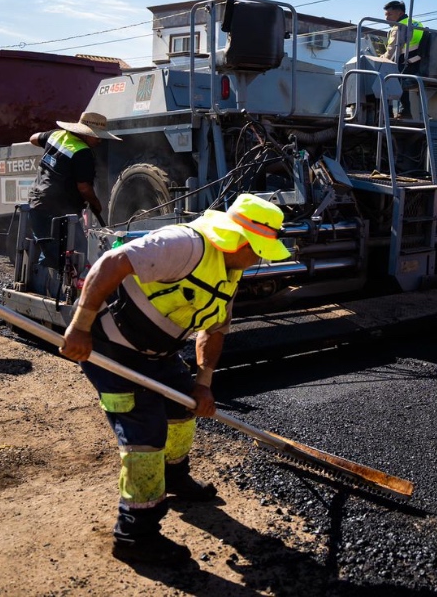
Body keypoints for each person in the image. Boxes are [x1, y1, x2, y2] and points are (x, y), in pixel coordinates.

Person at [59, 193, 292, 564]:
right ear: (239, 240)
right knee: (144, 437)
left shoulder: (230, 273)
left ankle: (175, 476)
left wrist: (203, 384)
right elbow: (111, 262)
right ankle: (135, 534)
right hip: (112, 349)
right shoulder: (186, 245)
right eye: (259, 248)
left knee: (183, 407)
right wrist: (80, 326)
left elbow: (214, 331)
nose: (261, 257)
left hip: (160, 355)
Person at [28, 111, 120, 267]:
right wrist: (96, 204)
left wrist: (53, 155)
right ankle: (44, 287)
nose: (99, 140)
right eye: (96, 136)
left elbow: (33, 138)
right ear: (84, 134)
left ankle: (46, 285)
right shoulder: (83, 152)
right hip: (57, 210)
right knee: (67, 254)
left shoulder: (57, 135)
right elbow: (84, 188)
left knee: (53, 252)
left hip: (38, 204)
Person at [381, 0, 425, 119]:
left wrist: (380, 59)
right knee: (397, 78)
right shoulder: (418, 23)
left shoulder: (398, 27)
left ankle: (388, 112)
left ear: (400, 13)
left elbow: (391, 52)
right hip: (417, 63)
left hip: (405, 63)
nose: (386, 18)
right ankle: (405, 111)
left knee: (383, 78)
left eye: (389, 15)